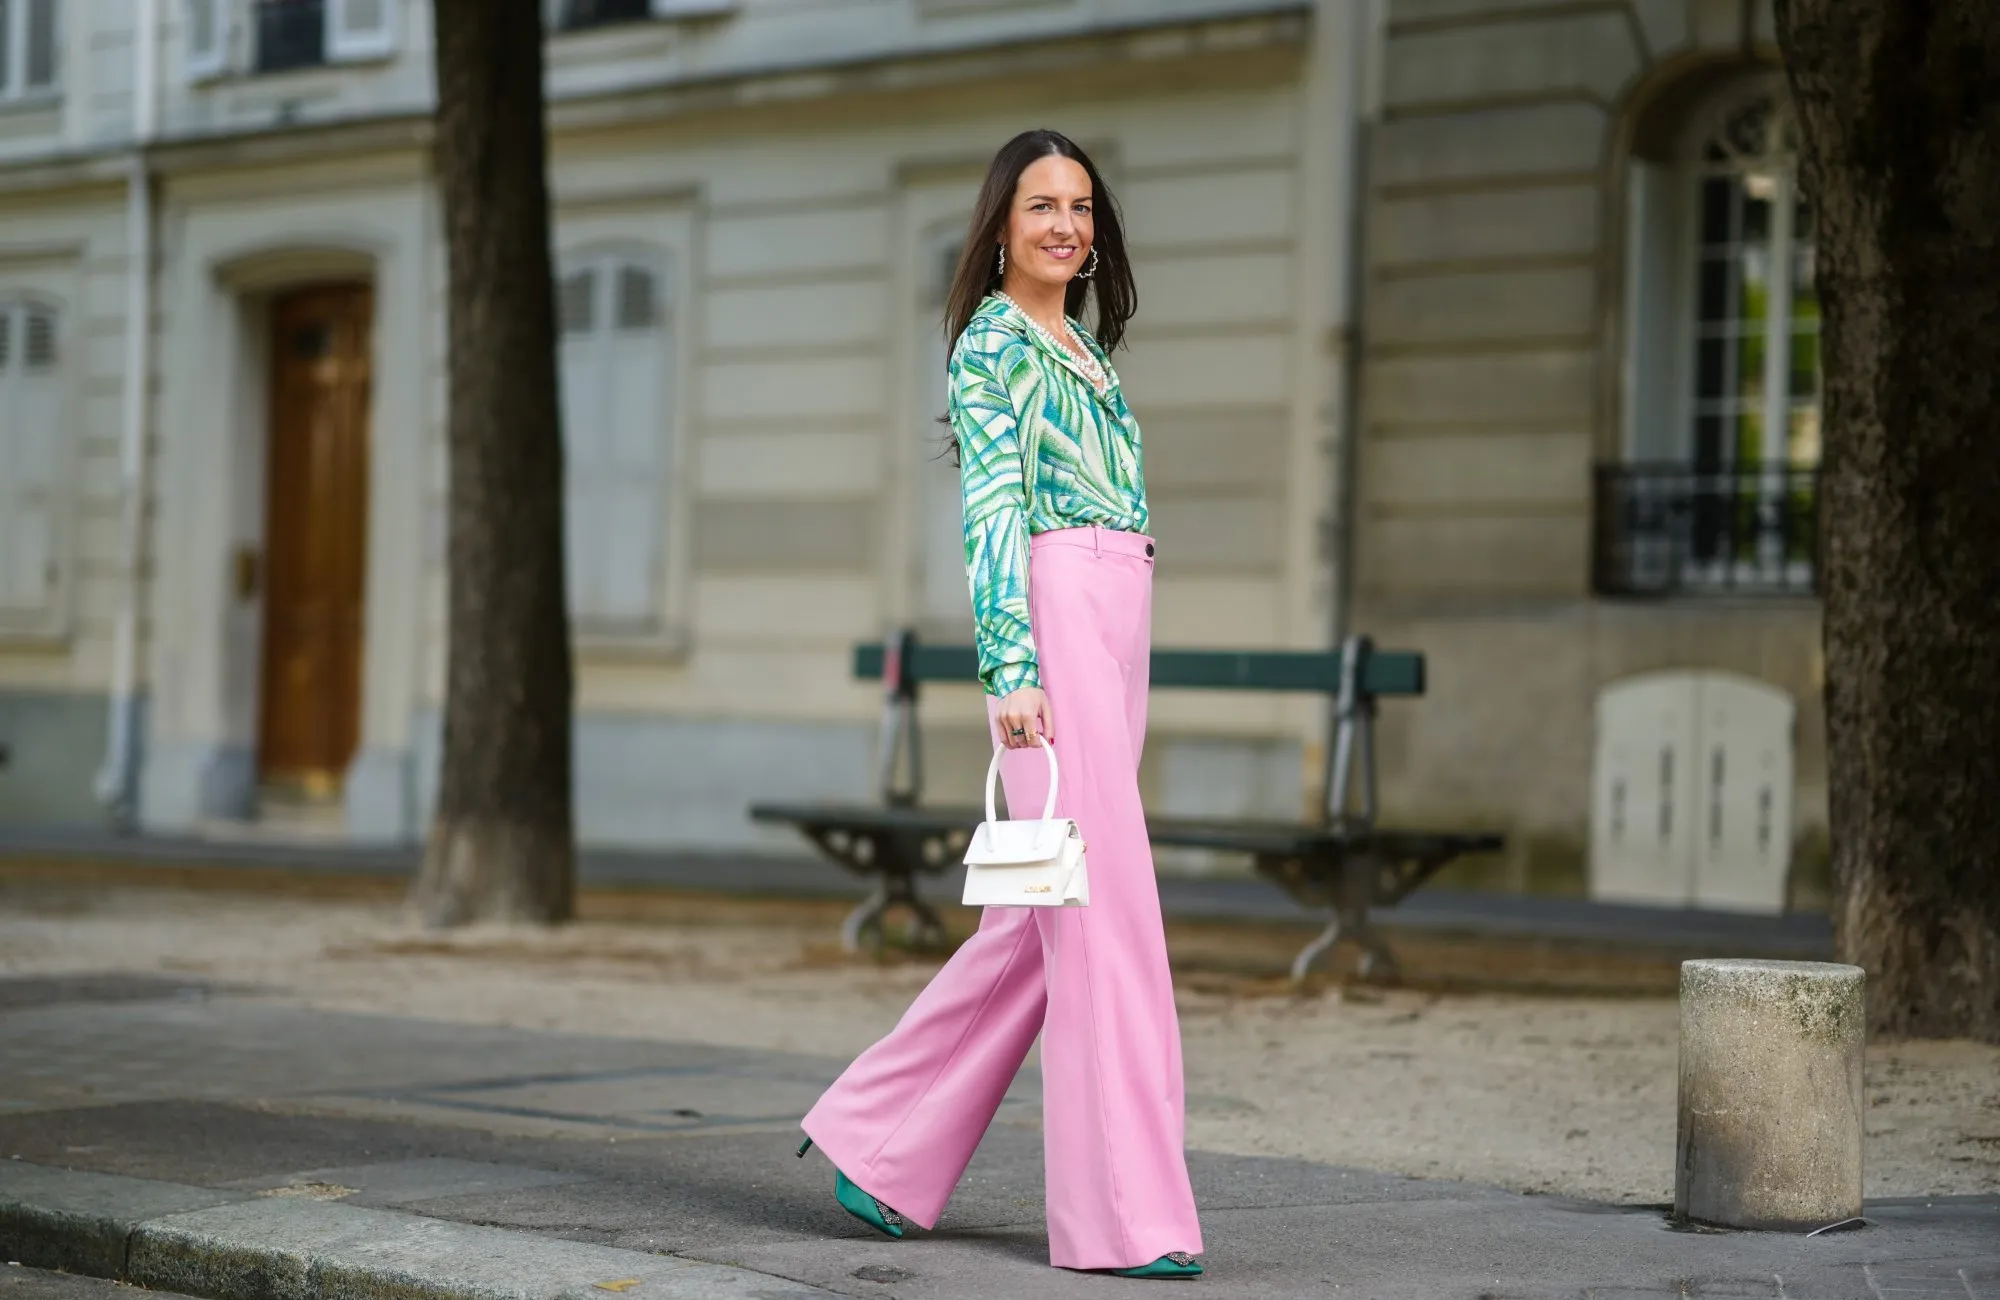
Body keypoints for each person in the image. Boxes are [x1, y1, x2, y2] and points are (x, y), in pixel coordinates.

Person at [793, 128, 1203, 1280]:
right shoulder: (990, 345)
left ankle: (879, 1145)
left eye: (1081, 206)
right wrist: (1011, 672)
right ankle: (1125, 1216)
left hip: (1118, 614)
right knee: (1107, 925)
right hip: (1054, 619)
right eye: (1041, 207)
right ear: (1001, 224)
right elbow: (989, 517)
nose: (1065, 225)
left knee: (1042, 915)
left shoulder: (1083, 345)